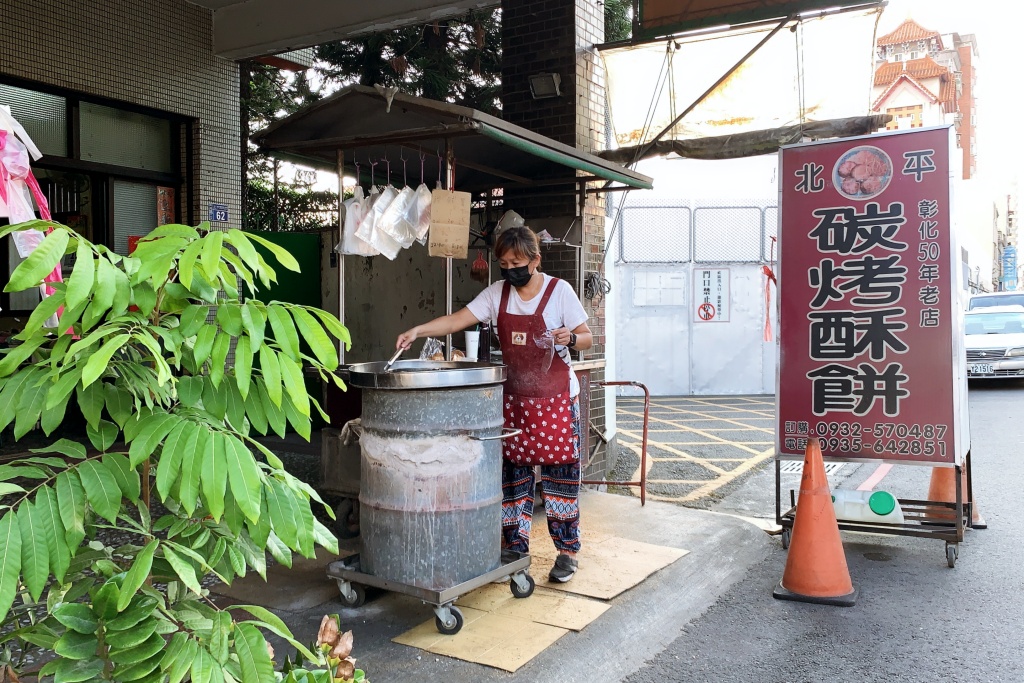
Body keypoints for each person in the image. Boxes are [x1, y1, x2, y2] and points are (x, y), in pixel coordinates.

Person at [397, 226, 593, 582]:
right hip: (515, 400)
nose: (510, 269)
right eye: (503, 263)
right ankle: (515, 549)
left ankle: (566, 553)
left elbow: (589, 338)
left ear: (535, 260)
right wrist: (418, 330)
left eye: (517, 262)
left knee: (560, 479)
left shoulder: (558, 291)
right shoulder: (497, 294)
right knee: (512, 480)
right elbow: (459, 319)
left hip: (556, 402)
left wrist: (572, 337)